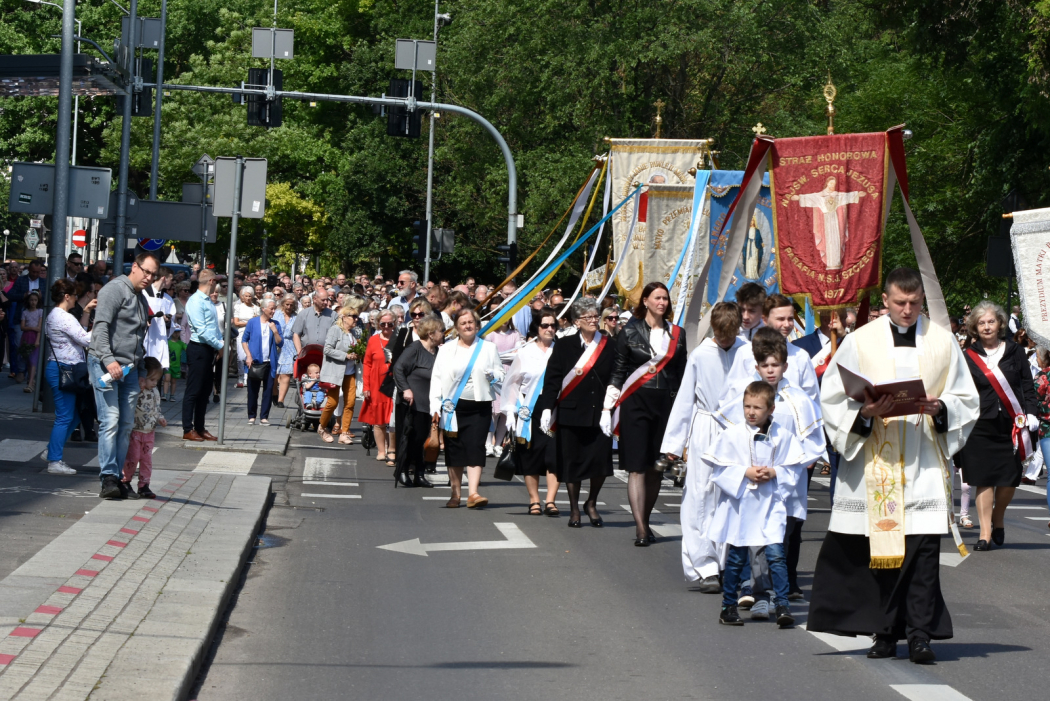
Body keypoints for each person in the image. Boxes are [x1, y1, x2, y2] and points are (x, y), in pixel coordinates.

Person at [808, 267, 980, 663]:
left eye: (914, 303)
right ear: (885, 300)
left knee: (923, 557)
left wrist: (942, 408)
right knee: (882, 555)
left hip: (922, 464)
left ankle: (920, 636)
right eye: (900, 302)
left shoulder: (942, 341)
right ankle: (884, 634)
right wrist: (865, 413)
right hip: (875, 464)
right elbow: (833, 397)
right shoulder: (859, 341)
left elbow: (965, 398)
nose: (907, 310)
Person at [715, 328, 826, 610]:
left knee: (780, 537)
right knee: (749, 536)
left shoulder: (798, 399)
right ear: (757, 367)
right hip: (751, 481)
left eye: (775, 364)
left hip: (784, 481)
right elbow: (732, 435)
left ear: (785, 366)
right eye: (764, 365)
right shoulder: (749, 396)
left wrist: (794, 463)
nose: (770, 370)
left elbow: (813, 441)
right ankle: (751, 587)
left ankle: (775, 593)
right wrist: (745, 467)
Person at [705, 381, 808, 627]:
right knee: (737, 557)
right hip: (741, 505)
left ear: (771, 409)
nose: (751, 412)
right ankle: (728, 607)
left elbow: (795, 466)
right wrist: (745, 472)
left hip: (770, 504)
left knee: (776, 555)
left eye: (757, 407)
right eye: (747, 406)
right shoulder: (732, 435)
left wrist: (774, 472)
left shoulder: (783, 436)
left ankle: (782, 604)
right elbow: (718, 469)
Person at [661, 301, 745, 593]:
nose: (724, 340)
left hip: (737, 432)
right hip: (706, 428)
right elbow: (685, 400)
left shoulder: (746, 352)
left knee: (732, 497)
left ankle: (728, 564)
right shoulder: (700, 355)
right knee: (700, 496)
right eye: (720, 334)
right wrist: (674, 444)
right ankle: (705, 565)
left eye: (729, 335)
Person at [604, 282, 687, 546]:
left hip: (665, 405)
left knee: (655, 469)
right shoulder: (628, 331)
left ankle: (646, 518)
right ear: (646, 301)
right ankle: (641, 528)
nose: (662, 303)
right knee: (637, 467)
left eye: (665, 298)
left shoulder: (677, 333)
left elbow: (682, 374)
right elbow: (618, 370)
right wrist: (607, 408)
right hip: (635, 403)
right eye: (657, 298)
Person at [956, 300, 1037, 551]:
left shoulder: (1015, 352)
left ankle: (998, 516)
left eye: (991, 321)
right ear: (974, 327)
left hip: (1012, 425)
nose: (987, 326)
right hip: (980, 426)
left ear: (1000, 323)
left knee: (1008, 479)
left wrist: (1031, 413)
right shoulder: (968, 356)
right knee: (983, 478)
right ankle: (985, 533)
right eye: (981, 323)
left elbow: (1027, 385)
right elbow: (961, 391)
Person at [538, 298, 616, 527]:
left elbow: (616, 377)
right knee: (572, 463)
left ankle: (591, 502)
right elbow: (553, 379)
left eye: (595, 316)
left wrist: (609, 408)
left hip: (599, 412)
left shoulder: (609, 344)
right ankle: (574, 509)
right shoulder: (564, 345)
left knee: (600, 463)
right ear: (576, 321)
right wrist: (546, 407)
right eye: (588, 317)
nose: (593, 320)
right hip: (571, 413)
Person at [88, 252, 157, 500]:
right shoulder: (114, 289)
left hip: (130, 368)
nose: (149, 278)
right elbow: (101, 327)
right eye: (146, 271)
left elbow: (139, 339)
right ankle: (108, 477)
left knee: (126, 424)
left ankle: (118, 478)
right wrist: (109, 360)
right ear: (134, 267)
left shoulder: (141, 297)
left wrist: (141, 370)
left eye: (153, 275)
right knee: (111, 420)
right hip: (105, 363)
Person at [429, 308, 505, 508]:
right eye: (463, 323)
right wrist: (435, 406)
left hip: (480, 406)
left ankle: (473, 493)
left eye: (471, 322)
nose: (468, 326)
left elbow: (501, 374)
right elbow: (437, 379)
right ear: (456, 327)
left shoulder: (488, 348)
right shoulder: (446, 349)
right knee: (454, 450)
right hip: (452, 407)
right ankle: (455, 494)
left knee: (475, 447)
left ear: (477, 325)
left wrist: (494, 375)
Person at [501, 307, 560, 515]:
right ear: (537, 327)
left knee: (554, 455)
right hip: (529, 408)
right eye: (545, 325)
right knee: (531, 455)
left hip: (555, 408)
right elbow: (512, 384)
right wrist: (510, 412)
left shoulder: (562, 351)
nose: (549, 329)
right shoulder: (525, 352)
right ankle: (534, 500)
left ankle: (550, 500)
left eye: (553, 325)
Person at [723, 293, 820, 406]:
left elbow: (811, 399)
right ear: (764, 319)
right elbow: (732, 396)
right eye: (780, 319)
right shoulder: (745, 353)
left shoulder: (801, 356)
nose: (787, 324)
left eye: (790, 319)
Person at [43, 279, 93, 475]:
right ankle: (54, 461)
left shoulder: (56, 315)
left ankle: (52, 451)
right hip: (64, 370)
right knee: (65, 417)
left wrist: (86, 312)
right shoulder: (64, 317)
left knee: (73, 415)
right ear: (66, 296)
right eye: (74, 295)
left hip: (63, 369)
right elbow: (86, 339)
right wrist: (102, 324)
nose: (75, 299)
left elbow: (79, 333)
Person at [392, 316, 444, 487]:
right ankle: (402, 470)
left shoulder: (438, 352)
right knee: (410, 438)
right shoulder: (415, 348)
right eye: (441, 331)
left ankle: (419, 474)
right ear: (431, 334)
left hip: (429, 404)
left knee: (422, 439)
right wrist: (405, 389)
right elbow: (398, 368)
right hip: (412, 403)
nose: (443, 334)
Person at [182, 270, 223, 442]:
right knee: (193, 390)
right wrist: (220, 345)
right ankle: (187, 428)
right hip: (198, 348)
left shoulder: (207, 301)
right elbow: (202, 330)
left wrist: (219, 343)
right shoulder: (195, 301)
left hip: (208, 349)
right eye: (216, 282)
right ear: (211, 281)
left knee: (205, 391)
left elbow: (213, 327)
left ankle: (200, 427)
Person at [121, 356, 166, 499]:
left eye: (156, 380)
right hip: (135, 430)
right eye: (151, 379)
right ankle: (125, 481)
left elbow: (156, 407)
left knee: (146, 460)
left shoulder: (155, 392)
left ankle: (144, 485)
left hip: (149, 431)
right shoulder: (137, 390)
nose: (154, 383)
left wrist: (159, 417)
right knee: (132, 458)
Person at [319, 306, 362, 444]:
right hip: (335, 372)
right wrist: (346, 355)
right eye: (353, 316)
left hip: (350, 372)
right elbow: (327, 349)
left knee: (350, 403)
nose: (356, 319)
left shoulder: (354, 333)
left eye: (357, 317)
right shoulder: (335, 330)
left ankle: (344, 433)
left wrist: (358, 355)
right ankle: (322, 427)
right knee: (332, 402)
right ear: (344, 317)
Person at [360, 310, 397, 464]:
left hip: (394, 383)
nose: (386, 326)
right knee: (379, 419)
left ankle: (392, 449)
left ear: (395, 323)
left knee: (393, 419)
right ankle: (381, 450)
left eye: (390, 324)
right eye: (383, 324)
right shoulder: (373, 340)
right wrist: (366, 387)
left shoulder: (399, 339)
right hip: (376, 383)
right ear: (378, 324)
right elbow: (367, 364)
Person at [241, 298, 283, 426]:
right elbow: (244, 340)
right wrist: (248, 356)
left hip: (270, 362)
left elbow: (280, 343)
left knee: (268, 390)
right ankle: (252, 416)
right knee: (252, 391)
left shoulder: (275, 323)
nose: (273, 311)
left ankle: (264, 417)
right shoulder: (253, 322)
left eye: (275, 308)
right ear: (263, 308)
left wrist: (275, 331)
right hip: (255, 362)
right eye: (271, 308)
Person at [487, 318, 523, 456]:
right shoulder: (491, 334)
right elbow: (489, 355)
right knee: (494, 412)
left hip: (511, 373)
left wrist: (500, 356)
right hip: (495, 375)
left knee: (505, 411)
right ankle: (488, 443)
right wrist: (507, 356)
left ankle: (498, 444)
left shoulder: (515, 334)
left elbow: (518, 354)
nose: (505, 320)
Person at [7, 259, 45, 383]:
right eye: (33, 271)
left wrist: (41, 297)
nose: (35, 274)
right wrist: (23, 296)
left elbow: (49, 300)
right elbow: (11, 295)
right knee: (20, 345)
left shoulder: (43, 282)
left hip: (37, 320)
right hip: (22, 317)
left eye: (38, 272)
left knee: (34, 348)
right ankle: (21, 371)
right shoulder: (21, 280)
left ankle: (31, 375)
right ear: (29, 270)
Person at [1033, 346, 1050, 529]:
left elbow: (1033, 400)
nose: (1036, 360)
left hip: (1047, 428)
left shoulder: (1042, 377)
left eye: (1037, 356)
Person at [273, 294, 299, 407]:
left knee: (286, 374)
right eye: (287, 304)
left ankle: (281, 400)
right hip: (276, 344)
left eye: (291, 305)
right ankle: (274, 393)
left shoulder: (296, 317)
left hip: (290, 346)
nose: (289, 307)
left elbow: (297, 334)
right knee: (274, 374)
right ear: (283, 304)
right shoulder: (276, 314)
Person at [291, 287, 334, 352]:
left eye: (327, 300)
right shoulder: (303, 314)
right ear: (314, 299)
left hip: (326, 354)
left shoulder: (333, 315)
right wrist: (299, 352)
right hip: (307, 353)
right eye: (323, 300)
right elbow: (296, 334)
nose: (326, 302)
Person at [232, 286, 259, 387]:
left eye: (249, 296)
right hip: (241, 332)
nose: (248, 298)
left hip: (252, 333)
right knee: (240, 356)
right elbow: (236, 322)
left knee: (250, 355)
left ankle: (247, 376)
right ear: (243, 296)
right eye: (246, 296)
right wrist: (249, 322)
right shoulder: (238, 307)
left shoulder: (256, 308)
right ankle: (240, 375)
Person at [19, 291, 43, 393]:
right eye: (31, 300)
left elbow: (39, 328)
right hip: (26, 337)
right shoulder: (25, 312)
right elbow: (22, 327)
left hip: (35, 337)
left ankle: (30, 383)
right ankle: (31, 380)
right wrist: (33, 328)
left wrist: (37, 339)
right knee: (28, 360)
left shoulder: (40, 312)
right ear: (28, 301)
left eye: (35, 300)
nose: (33, 302)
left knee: (33, 360)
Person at [164, 327, 187, 401]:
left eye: (178, 332)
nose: (177, 334)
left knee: (174, 381)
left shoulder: (181, 343)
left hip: (177, 365)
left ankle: (172, 395)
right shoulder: (168, 342)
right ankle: (165, 394)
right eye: (175, 332)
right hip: (168, 365)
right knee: (167, 379)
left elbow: (187, 349)